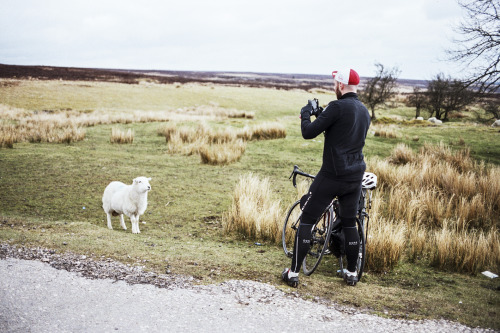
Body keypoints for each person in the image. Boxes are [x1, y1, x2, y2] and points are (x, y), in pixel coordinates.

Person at [282, 68, 371, 287]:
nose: (334, 87)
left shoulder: (336, 107)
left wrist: (305, 113)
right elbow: (342, 130)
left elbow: (308, 132)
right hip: (354, 177)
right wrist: (322, 114)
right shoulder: (364, 111)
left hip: (332, 175)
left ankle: (292, 273)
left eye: (335, 84)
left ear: (340, 85)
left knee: (307, 220)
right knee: (350, 223)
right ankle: (351, 273)